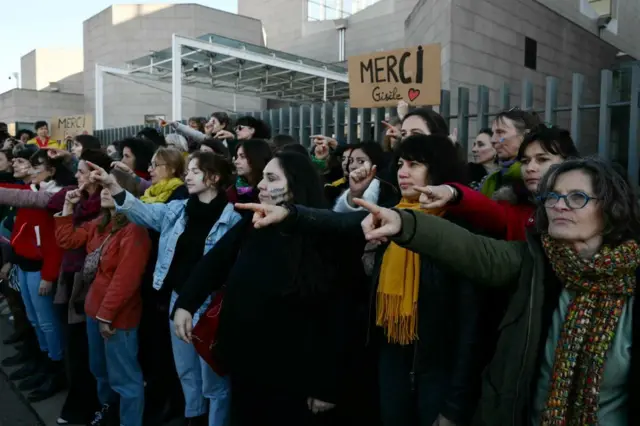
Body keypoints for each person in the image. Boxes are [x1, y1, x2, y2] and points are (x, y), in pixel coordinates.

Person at [319, 156, 639, 426]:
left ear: (611, 209)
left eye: (577, 198)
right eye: (551, 197)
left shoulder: (628, 284)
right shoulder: (535, 262)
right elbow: (474, 251)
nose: (559, 206)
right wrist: (405, 224)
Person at [233, 135, 483, 426]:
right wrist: (291, 213)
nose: (403, 171)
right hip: (391, 352)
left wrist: (455, 404)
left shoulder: (461, 229)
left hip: (437, 362)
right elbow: (341, 225)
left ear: (438, 170)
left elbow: (470, 324)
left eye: (414, 165)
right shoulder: (391, 214)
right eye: (401, 163)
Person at [173, 151, 347, 426]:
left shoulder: (323, 235)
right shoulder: (256, 221)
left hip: (293, 371)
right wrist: (186, 303)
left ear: (295, 186)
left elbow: (338, 316)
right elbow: (215, 261)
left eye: (272, 178)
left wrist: (327, 386)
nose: (261, 185)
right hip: (246, 360)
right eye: (262, 177)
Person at [89, 151, 240, 426]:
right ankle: (193, 417)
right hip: (178, 300)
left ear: (215, 178)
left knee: (214, 381)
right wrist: (113, 185)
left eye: (196, 171)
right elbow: (142, 212)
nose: (188, 175)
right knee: (186, 371)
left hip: (213, 306)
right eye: (189, 170)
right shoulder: (178, 210)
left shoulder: (234, 220)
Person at [55, 170, 151, 426]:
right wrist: (67, 206)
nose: (105, 191)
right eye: (105, 186)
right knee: (100, 372)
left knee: (125, 380)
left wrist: (106, 315)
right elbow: (67, 239)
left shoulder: (134, 229)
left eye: (113, 187)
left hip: (117, 315)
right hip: (94, 309)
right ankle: (108, 415)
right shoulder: (102, 221)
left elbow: (126, 279)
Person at [418, 125, 579, 241]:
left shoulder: (592, 208)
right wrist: (453, 193)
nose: (530, 168)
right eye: (525, 161)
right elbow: (491, 211)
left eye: (542, 159)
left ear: (568, 162)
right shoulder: (515, 208)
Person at [480, 108, 541, 197]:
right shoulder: (491, 180)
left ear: (525, 135)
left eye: (500, 132)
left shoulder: (537, 175)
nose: (493, 140)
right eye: (493, 133)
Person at [228, 139, 272, 204]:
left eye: (242, 157)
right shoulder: (232, 191)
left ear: (256, 157)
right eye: (237, 157)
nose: (236, 162)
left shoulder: (271, 188)